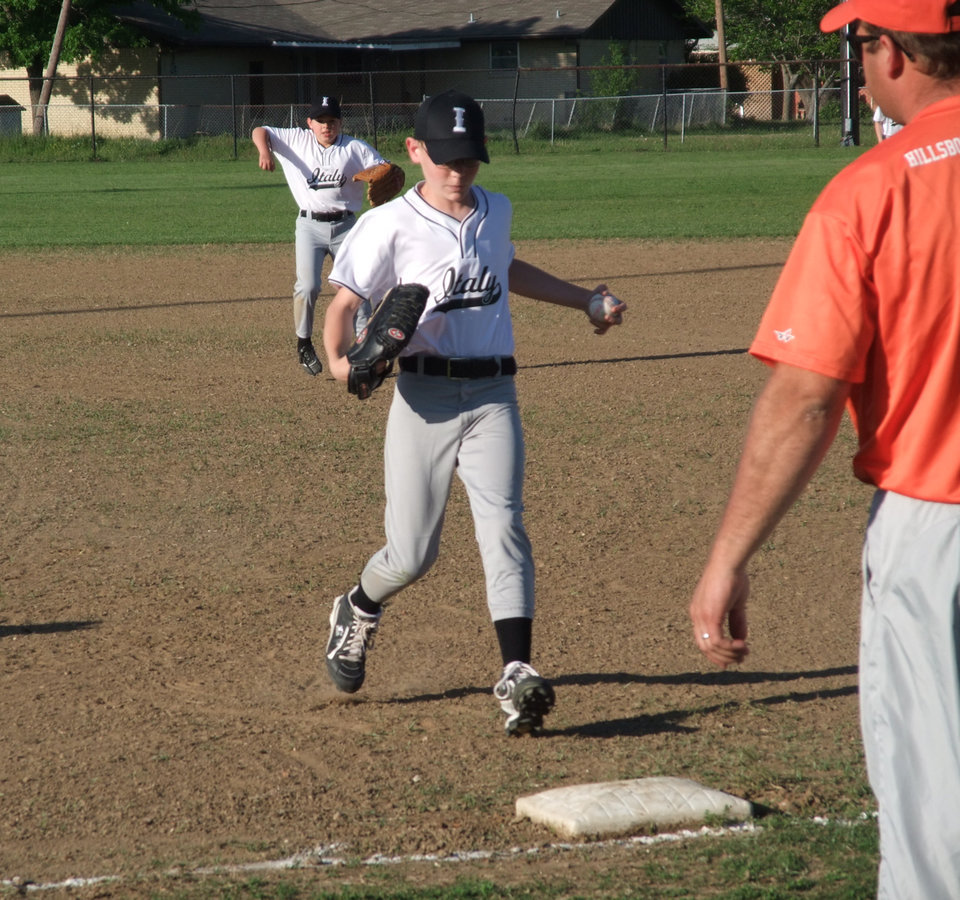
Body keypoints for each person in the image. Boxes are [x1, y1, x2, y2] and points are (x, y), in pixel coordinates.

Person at [688, 0, 960, 895]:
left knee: (936, 818)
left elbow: (806, 396)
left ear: (889, 51)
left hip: (938, 526)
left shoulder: (874, 189)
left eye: (860, 41)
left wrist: (729, 556)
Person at [319, 89, 627, 737]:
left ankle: (517, 673)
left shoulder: (496, 210)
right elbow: (343, 308)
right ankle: (358, 607)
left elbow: (507, 266)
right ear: (415, 152)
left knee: (505, 529)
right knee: (412, 554)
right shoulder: (388, 225)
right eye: (446, 159)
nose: (459, 172)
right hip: (424, 400)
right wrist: (345, 365)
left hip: (494, 398)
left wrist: (585, 301)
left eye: (470, 159)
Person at [252, 96, 395, 376]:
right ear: (310, 123)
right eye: (321, 121)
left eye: (332, 121)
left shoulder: (354, 147)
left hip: (347, 227)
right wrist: (264, 151)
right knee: (307, 287)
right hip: (309, 227)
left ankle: (365, 350)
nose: (327, 126)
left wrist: (385, 174)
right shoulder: (296, 140)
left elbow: (385, 168)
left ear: (340, 123)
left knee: (358, 288)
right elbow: (261, 131)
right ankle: (304, 343)